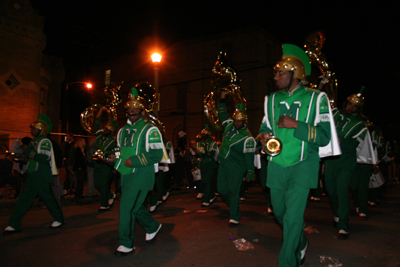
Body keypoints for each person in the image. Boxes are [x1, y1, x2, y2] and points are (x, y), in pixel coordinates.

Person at [259, 44, 339, 267]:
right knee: (279, 212)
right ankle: (301, 242)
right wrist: (264, 136)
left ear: (294, 73)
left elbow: (324, 137)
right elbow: (264, 126)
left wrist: (297, 125)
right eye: (275, 72)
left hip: (304, 164)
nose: (275, 77)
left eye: (280, 72)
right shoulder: (272, 100)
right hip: (276, 164)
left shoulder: (317, 99)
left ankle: (287, 262)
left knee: (293, 218)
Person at [111, 88, 164, 256]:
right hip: (125, 175)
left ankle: (126, 243)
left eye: (135, 110)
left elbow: (156, 154)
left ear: (142, 111)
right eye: (129, 110)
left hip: (142, 176)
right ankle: (153, 226)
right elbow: (119, 149)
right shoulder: (121, 130)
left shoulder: (150, 130)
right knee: (136, 207)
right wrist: (114, 158)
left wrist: (133, 161)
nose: (131, 113)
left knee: (126, 209)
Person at [324, 87, 376, 239]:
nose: (350, 107)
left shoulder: (360, 125)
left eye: (354, 106)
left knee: (341, 192)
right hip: (331, 159)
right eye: (349, 104)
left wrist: (340, 140)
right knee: (330, 190)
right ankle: (338, 214)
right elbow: (323, 107)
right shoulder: (335, 114)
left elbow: (352, 145)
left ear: (358, 109)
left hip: (346, 162)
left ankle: (343, 225)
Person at [3, 114, 65, 235]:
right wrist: (20, 157)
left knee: (49, 199)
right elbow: (32, 158)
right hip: (32, 174)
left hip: (41, 175)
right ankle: (14, 224)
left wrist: (28, 152)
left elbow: (44, 158)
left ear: (40, 129)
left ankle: (59, 218)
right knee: (23, 199)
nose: (32, 130)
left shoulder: (45, 141)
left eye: (34, 128)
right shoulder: (34, 141)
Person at [217, 91, 256, 225]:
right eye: (235, 120)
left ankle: (234, 216)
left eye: (239, 121)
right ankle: (235, 205)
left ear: (243, 121)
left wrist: (250, 173)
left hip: (237, 167)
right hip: (223, 163)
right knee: (221, 189)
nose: (236, 123)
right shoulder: (228, 125)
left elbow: (249, 157)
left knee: (233, 191)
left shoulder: (248, 138)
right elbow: (222, 113)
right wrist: (223, 98)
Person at [94, 107, 118, 212]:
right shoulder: (100, 136)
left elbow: (117, 152)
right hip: (97, 163)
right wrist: (101, 111)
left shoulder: (114, 141)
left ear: (111, 131)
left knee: (103, 184)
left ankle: (104, 205)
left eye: (107, 129)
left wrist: (112, 159)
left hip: (106, 165)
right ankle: (110, 195)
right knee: (97, 184)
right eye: (105, 128)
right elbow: (96, 123)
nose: (104, 130)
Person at [197, 125, 218, 207]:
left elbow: (212, 154)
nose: (203, 137)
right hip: (203, 164)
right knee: (204, 181)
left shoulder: (213, 143)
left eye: (204, 135)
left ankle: (206, 201)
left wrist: (203, 152)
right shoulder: (200, 143)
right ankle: (212, 196)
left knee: (208, 182)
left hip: (210, 164)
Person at [68, 138, 87, 204]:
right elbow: (75, 159)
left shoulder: (81, 150)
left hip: (80, 167)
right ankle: (77, 197)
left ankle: (79, 196)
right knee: (80, 181)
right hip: (78, 167)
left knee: (80, 182)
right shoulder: (77, 150)